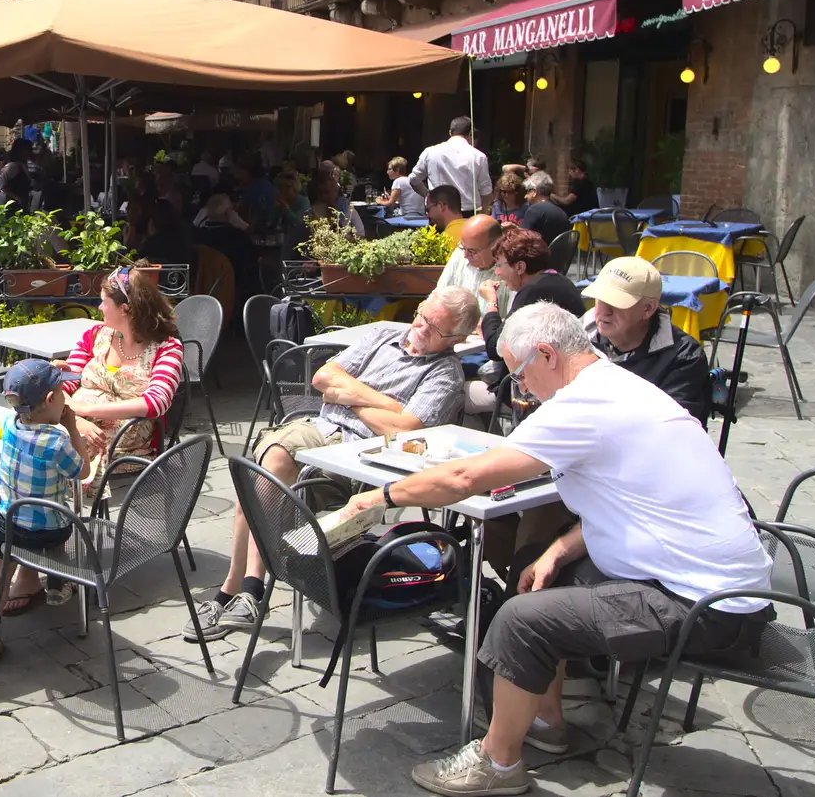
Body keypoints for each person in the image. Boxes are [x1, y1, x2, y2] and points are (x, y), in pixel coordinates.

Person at [329, 304, 772, 797]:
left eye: (518, 375)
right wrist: (561, 547)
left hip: (705, 606)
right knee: (536, 569)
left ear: (546, 354)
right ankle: (545, 721)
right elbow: (635, 502)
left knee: (522, 619)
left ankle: (497, 765)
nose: (520, 390)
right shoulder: (618, 386)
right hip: (707, 581)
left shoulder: (583, 405)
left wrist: (382, 496)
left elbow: (464, 477)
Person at [187, 286, 478, 642]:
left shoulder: (445, 373)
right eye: (422, 315)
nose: (420, 327)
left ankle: (243, 588)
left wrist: (350, 398)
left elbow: (404, 429)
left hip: (365, 455)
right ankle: (248, 588)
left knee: (265, 485)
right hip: (320, 427)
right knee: (267, 464)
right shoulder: (383, 334)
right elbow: (323, 379)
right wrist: (387, 404)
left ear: (458, 338)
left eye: (435, 328)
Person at [0, 360, 94, 634]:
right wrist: (72, 428)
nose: (65, 399)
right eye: (62, 392)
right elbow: (83, 472)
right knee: (61, 522)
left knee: (2, 566)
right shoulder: (57, 443)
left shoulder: (10, 424)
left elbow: (27, 392)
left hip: (9, 524)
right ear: (49, 399)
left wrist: (44, 371)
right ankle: (57, 581)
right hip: (48, 531)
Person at [57, 267, 185, 494]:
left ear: (125, 309)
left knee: (47, 444)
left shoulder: (166, 348)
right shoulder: (95, 335)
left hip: (125, 438)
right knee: (36, 427)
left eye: (104, 302)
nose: (99, 307)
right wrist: (76, 421)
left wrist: (86, 409)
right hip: (77, 423)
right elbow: (66, 381)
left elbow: (156, 403)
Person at [465, 229, 586, 416]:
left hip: (532, 395)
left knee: (458, 392)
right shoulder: (559, 282)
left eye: (500, 265)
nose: (497, 272)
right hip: (560, 385)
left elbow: (495, 348)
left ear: (520, 267)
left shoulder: (532, 291)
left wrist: (491, 302)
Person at [581, 256, 711, 422]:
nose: (604, 311)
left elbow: (673, 428)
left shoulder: (684, 356)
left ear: (648, 309)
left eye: (616, 302)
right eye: (600, 299)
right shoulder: (577, 337)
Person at [410, 116, 493, 216]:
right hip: (468, 213)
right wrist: (484, 213)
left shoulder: (430, 152)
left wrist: (428, 195)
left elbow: (414, 179)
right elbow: (486, 191)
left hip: (439, 210)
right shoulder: (479, 156)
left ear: (450, 133)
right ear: (471, 134)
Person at [519, 172, 571, 248]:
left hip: (539, 257)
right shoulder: (561, 212)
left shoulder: (534, 210)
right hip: (559, 258)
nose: (525, 196)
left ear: (534, 191)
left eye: (527, 191)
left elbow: (521, 237)